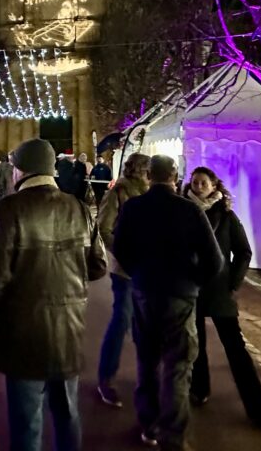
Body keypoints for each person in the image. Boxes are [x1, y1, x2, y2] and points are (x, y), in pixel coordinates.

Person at [0, 138, 107, 451]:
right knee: (67, 413)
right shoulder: (78, 209)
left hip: (23, 330)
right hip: (68, 328)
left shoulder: (9, 209)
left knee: (27, 422)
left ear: (20, 171)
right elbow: (98, 266)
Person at [113, 155, 223, 451]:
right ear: (176, 176)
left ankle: (149, 425)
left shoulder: (134, 207)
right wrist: (194, 281)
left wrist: (138, 272)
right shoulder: (189, 210)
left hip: (145, 291)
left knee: (147, 361)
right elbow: (215, 260)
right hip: (180, 295)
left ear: (149, 175)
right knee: (177, 366)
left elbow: (119, 246)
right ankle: (172, 436)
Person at [182, 167, 261, 441]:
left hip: (219, 291)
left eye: (203, 183)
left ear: (213, 186)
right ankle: (199, 389)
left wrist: (233, 282)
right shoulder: (183, 213)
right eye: (195, 182)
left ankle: (260, 410)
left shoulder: (226, 215)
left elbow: (243, 251)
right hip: (192, 289)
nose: (198, 186)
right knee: (196, 345)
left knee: (237, 350)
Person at [96, 152, 150, 408]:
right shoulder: (119, 190)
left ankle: (147, 380)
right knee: (121, 320)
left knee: (147, 326)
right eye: (143, 169)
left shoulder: (153, 192)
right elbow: (104, 227)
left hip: (150, 271)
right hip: (126, 271)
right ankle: (106, 378)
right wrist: (123, 254)